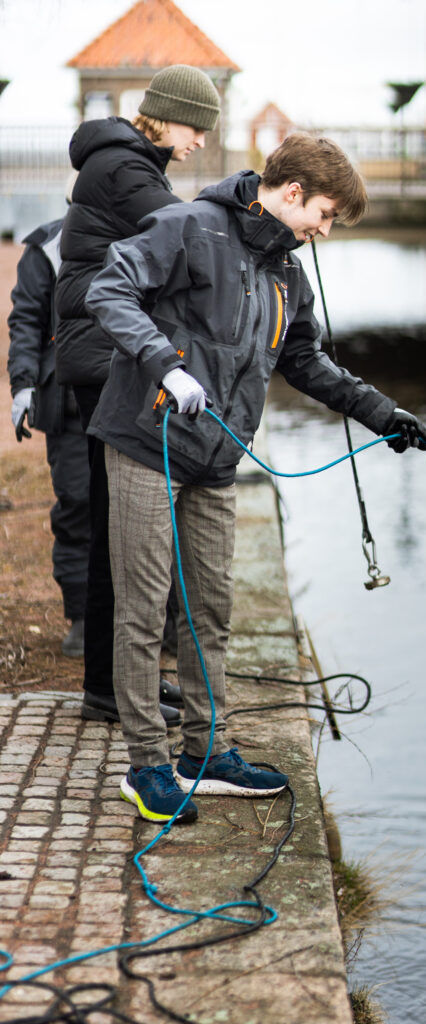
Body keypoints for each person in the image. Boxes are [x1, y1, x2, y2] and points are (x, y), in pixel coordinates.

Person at [84, 132, 426, 825]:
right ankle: (147, 767)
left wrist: (380, 413)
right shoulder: (189, 227)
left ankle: (205, 754)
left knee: (210, 611)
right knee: (143, 612)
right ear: (293, 193)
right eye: (324, 215)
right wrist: (164, 365)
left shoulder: (287, 273)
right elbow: (108, 288)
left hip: (216, 460)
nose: (324, 230)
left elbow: (306, 361)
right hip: (146, 442)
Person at [55, 64, 222, 725]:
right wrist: (247, 205)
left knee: (117, 527)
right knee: (117, 530)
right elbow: (191, 234)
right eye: (197, 128)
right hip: (104, 359)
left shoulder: (128, 162)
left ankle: (120, 678)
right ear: (167, 115)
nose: (201, 142)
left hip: (106, 355)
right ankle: (109, 686)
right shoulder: (124, 169)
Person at [7, 216, 89, 657]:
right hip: (69, 407)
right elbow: (26, 320)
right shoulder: (47, 247)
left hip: (129, 404)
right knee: (76, 504)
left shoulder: (143, 229)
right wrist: (23, 383)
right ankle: (83, 615)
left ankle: (162, 618)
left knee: (143, 514)